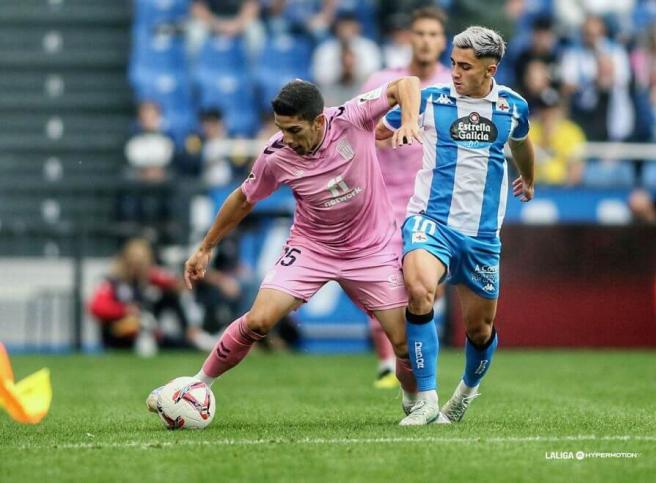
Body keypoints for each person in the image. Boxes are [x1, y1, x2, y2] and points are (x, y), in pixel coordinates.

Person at [147, 76, 443, 425]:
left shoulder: (352, 117)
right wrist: (206, 247)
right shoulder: (276, 155)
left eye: (295, 130)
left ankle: (416, 402)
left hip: (370, 251)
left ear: (319, 121)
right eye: (281, 129)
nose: (287, 138)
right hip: (312, 248)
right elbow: (244, 199)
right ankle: (194, 386)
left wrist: (408, 120)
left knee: (404, 342)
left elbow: (406, 84)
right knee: (257, 320)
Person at [377, 26, 535, 424]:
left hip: (482, 237)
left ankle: (464, 394)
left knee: (480, 331)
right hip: (430, 222)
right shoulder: (432, 101)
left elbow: (521, 141)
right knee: (418, 291)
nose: (455, 72)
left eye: (465, 66)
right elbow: (378, 124)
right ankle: (426, 399)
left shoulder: (513, 106)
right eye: (453, 63)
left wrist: (528, 178)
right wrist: (395, 128)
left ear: (490, 69)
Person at [361, 6, 451, 389]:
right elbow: (360, 125)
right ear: (408, 38)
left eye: (433, 34)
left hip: (432, 200)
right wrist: (385, 128)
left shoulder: (453, 85)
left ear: (442, 41)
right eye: (420, 33)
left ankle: (417, 360)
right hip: (383, 198)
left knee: (426, 287)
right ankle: (387, 363)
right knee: (384, 279)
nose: (426, 40)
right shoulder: (384, 80)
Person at [88, 238, 216, 354]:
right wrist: (124, 310)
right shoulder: (112, 281)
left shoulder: (148, 276)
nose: (137, 268)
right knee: (142, 324)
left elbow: (176, 284)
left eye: (141, 263)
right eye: (134, 263)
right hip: (119, 333)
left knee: (170, 298)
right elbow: (96, 307)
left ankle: (193, 335)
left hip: (146, 326)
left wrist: (176, 285)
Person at [529, 88, 585, 186]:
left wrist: (566, 189)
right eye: (544, 109)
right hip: (535, 186)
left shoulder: (572, 131)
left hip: (563, 186)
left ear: (559, 110)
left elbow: (577, 167)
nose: (548, 114)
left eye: (552, 109)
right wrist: (545, 137)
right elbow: (522, 166)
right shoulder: (529, 130)